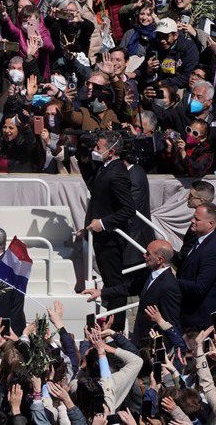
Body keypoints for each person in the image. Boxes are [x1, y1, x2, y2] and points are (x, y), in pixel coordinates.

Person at [80, 131, 137, 327]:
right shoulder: (105, 167)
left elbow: (129, 208)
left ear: (111, 151)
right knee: (109, 280)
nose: (95, 150)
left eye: (99, 148)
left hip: (111, 237)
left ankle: (117, 326)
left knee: (114, 283)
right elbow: (95, 191)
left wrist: (103, 223)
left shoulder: (118, 173)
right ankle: (112, 321)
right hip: (100, 235)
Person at [82, 240, 181, 345]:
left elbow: (171, 320)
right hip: (140, 336)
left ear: (159, 260)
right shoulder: (150, 273)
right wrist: (101, 292)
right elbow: (129, 288)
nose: (144, 255)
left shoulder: (169, 285)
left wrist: (173, 347)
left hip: (154, 342)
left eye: (148, 254)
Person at [178, 203, 216, 330]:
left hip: (201, 318)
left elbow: (201, 287)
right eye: (193, 217)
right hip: (192, 312)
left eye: (197, 219)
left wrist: (175, 281)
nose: (192, 221)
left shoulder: (213, 250)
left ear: (211, 224)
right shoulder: (203, 240)